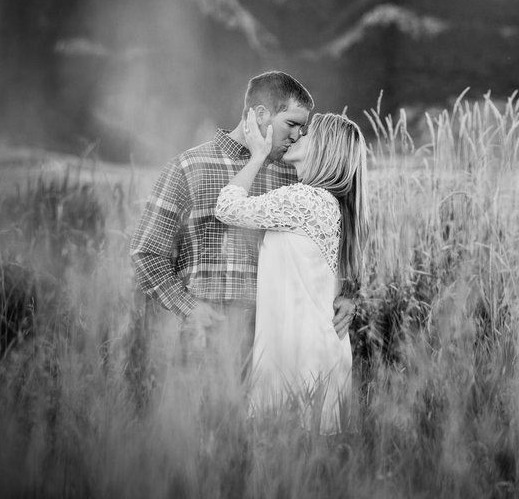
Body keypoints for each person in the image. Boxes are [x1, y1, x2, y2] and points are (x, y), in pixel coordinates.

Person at [130, 71, 356, 387]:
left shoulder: (293, 178)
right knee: (202, 434)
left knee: (263, 434)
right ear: (261, 114)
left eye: (303, 129)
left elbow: (329, 242)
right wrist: (189, 308)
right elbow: (147, 253)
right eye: (291, 124)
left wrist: (346, 293)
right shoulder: (189, 167)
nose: (296, 136)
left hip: (273, 343)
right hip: (204, 338)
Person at [215, 110, 366, 433]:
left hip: (298, 360)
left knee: (285, 466)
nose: (298, 136)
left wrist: (256, 156)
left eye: (308, 134)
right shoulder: (330, 203)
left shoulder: (306, 200)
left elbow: (227, 208)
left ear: (324, 149)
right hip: (319, 354)